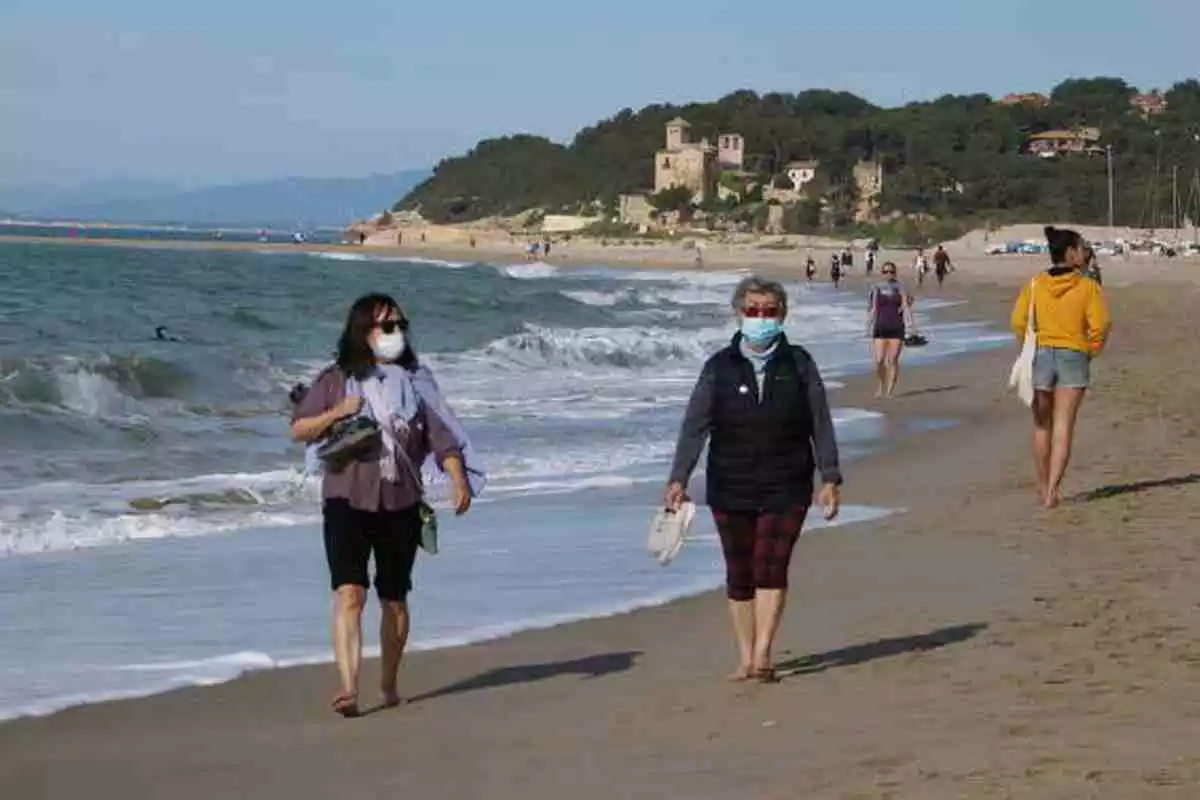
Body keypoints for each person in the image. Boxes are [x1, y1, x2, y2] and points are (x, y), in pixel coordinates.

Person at [290, 293, 475, 717]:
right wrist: (337, 412)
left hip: (400, 503)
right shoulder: (334, 380)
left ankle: (388, 685)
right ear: (363, 332)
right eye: (387, 326)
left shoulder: (413, 383)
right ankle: (349, 688)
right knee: (349, 592)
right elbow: (299, 429)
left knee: (394, 598)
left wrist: (457, 477)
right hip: (345, 499)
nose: (397, 334)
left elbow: (442, 438)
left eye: (400, 325)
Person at [665, 276, 842, 684]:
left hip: (788, 481)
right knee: (740, 570)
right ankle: (744, 656)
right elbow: (695, 425)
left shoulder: (799, 363)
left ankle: (764, 654)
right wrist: (679, 477)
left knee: (771, 565)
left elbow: (820, 422)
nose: (760, 318)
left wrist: (829, 476)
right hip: (730, 484)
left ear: (783, 314)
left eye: (769, 311)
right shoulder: (719, 367)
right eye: (752, 311)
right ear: (738, 314)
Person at [1010, 226, 1111, 509]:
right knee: (1064, 426)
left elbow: (1018, 321)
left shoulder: (1035, 284)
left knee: (1042, 426)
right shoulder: (1087, 286)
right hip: (1074, 354)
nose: (1084, 253)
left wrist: (1029, 344)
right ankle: (1052, 491)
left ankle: (1043, 488)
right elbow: (1100, 325)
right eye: (1081, 248)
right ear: (1070, 253)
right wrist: (1091, 350)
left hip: (1040, 355)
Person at [866, 262, 915, 398]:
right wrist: (868, 325)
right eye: (886, 272)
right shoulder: (876, 288)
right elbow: (873, 308)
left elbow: (906, 305)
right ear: (882, 273)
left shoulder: (901, 287)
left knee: (892, 360)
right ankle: (881, 385)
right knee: (879, 361)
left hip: (896, 326)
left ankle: (889, 391)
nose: (889, 274)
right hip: (880, 326)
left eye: (892, 272)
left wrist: (912, 325)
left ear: (895, 273)